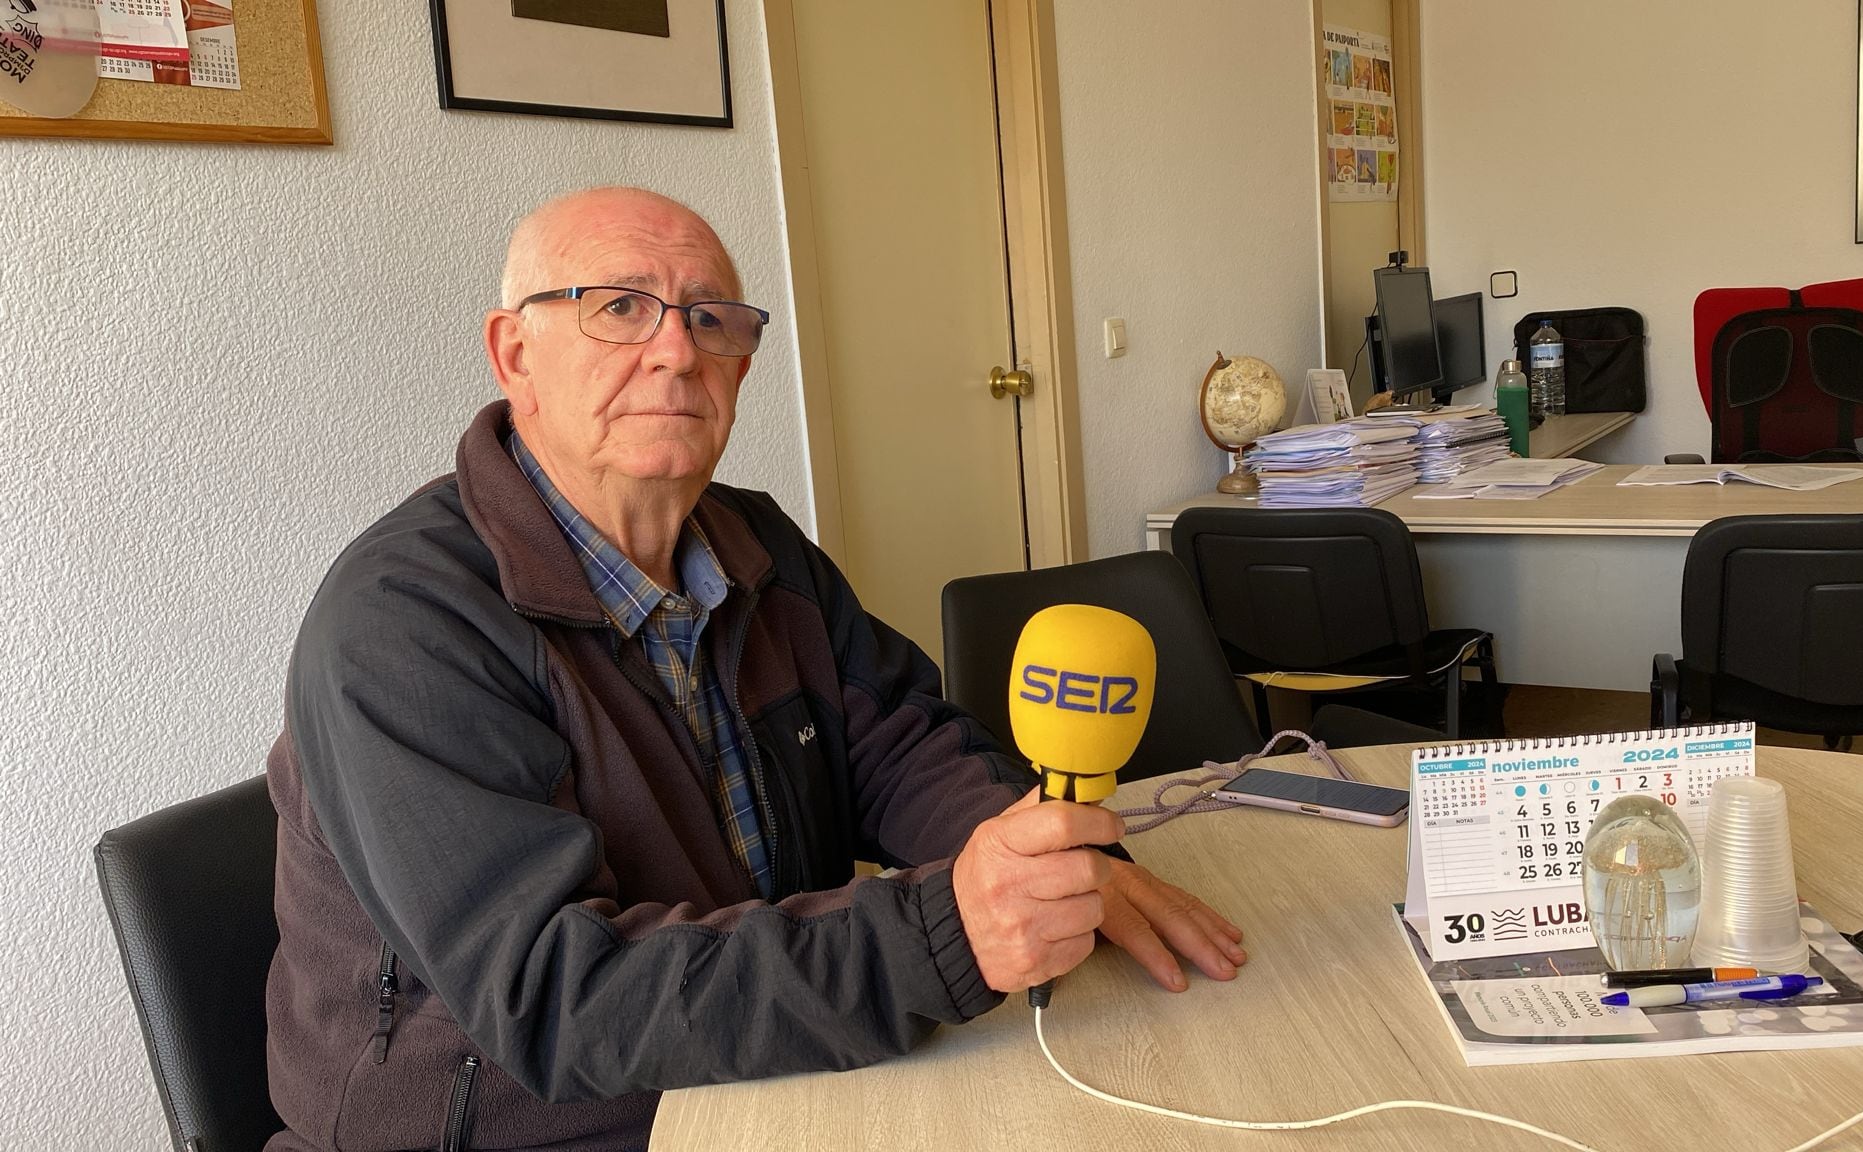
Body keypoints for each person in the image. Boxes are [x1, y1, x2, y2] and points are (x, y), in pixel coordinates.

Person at [263, 186, 1247, 1151]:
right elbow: (559, 1001)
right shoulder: (405, 624)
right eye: (620, 308)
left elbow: (899, 744)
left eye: (712, 318)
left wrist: (1029, 856)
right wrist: (944, 933)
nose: (678, 350)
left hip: (762, 1066)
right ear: (512, 352)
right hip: (543, 1121)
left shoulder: (759, 544)